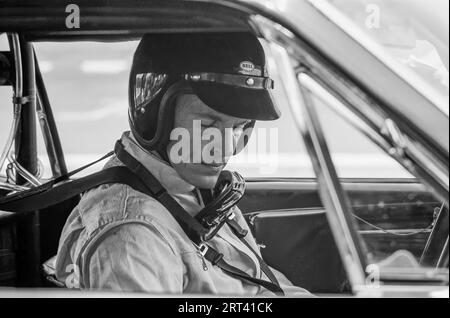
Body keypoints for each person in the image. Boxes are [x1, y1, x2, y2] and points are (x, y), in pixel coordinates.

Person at [55, 32, 310, 296]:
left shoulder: (195, 186)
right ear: (154, 114)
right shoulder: (131, 240)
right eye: (208, 124)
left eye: (239, 126)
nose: (225, 148)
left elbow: (257, 284)